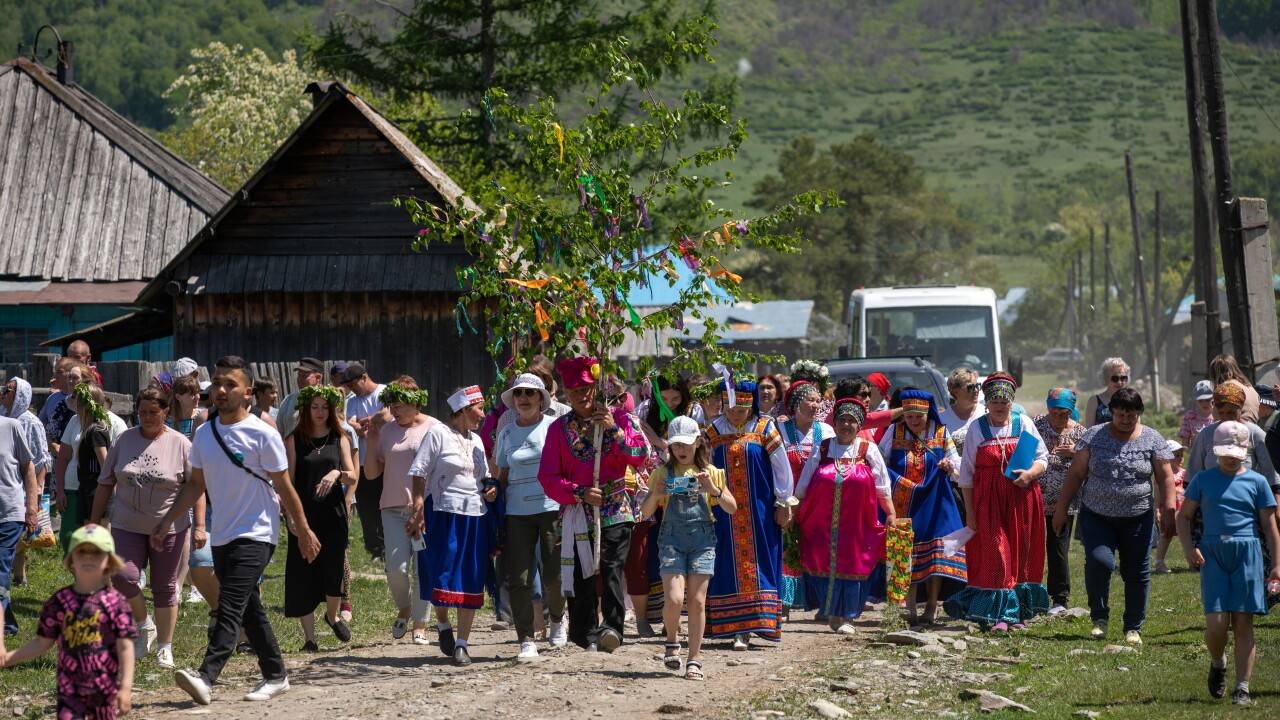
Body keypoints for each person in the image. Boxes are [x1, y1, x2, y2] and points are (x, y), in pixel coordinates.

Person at [158, 356, 320, 706]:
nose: (221, 390)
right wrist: (168, 520)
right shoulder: (204, 433)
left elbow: (285, 486)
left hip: (259, 532)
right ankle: (276, 675)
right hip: (224, 534)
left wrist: (303, 530)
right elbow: (195, 485)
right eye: (217, 383)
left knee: (229, 602)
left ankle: (206, 676)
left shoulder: (264, 433)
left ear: (248, 393)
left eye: (230, 384)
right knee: (249, 608)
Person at [537, 356, 649, 653]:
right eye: (574, 391)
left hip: (615, 506)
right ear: (564, 393)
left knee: (612, 565)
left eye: (586, 389)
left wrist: (614, 430)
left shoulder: (619, 417)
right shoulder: (558, 429)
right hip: (578, 509)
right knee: (581, 570)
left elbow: (641, 455)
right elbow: (548, 475)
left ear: (596, 388)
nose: (581, 396)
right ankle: (584, 632)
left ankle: (612, 627)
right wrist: (578, 492)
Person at [1053, 387, 1175, 645]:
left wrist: (1168, 509)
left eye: (1131, 416)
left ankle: (1133, 627)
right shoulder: (1094, 437)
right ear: (1112, 413)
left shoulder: (1152, 438)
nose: (1126, 420)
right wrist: (1061, 509)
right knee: (1100, 562)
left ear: (1138, 413)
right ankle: (1099, 617)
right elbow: (1076, 475)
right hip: (1098, 515)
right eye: (1121, 415)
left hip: (1138, 517)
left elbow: (1165, 477)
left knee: (1136, 572)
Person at [88, 389, 195, 669]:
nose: (147, 417)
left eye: (153, 412)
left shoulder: (181, 443)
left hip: (168, 526)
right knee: (121, 574)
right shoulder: (124, 440)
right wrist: (93, 520)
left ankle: (164, 647)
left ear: (166, 412)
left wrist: (201, 525)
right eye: (142, 412)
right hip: (126, 523)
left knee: (165, 586)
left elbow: (197, 488)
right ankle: (142, 623)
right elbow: (105, 483)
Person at [1177, 421, 1280, 707]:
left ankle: (1243, 688)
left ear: (1246, 450)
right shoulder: (1203, 480)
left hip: (1247, 553)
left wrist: (1277, 565)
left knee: (1243, 621)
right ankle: (1218, 661)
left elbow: (1270, 527)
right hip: (1212, 553)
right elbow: (1184, 517)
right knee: (1217, 624)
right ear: (1214, 451)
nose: (1231, 458)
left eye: (1236, 453)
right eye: (1225, 453)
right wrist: (1189, 548)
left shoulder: (1257, 482)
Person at [945, 372, 1049, 631]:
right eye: (995, 401)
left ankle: (1017, 614)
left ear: (1011, 402)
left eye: (1005, 402)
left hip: (1021, 499)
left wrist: (1030, 474)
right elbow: (966, 474)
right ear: (987, 402)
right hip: (988, 502)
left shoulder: (1023, 423)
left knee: (1021, 552)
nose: (1000, 406)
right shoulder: (977, 428)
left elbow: (1042, 457)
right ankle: (1000, 614)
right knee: (997, 552)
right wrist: (970, 512)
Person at [0, 524, 134, 718]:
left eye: (96, 553)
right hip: (69, 692)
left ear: (109, 561)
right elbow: (42, 643)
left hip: (105, 691)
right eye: (82, 552)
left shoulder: (116, 603)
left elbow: (125, 647)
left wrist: (126, 687)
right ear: (71, 560)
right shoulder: (59, 602)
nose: (88, 557)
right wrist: (7, 658)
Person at [641, 416, 736, 680]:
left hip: (703, 541)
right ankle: (672, 640)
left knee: (696, 601)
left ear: (697, 442)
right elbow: (645, 512)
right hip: (671, 539)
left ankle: (694, 658)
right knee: (673, 598)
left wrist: (712, 489)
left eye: (685, 444)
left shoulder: (713, 472)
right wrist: (657, 494)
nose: (681, 450)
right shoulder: (661, 474)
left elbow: (732, 507)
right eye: (675, 445)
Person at [704, 380, 794, 650]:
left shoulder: (765, 428)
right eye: (730, 409)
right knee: (726, 564)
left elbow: (781, 468)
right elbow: (701, 463)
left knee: (761, 563)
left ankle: (757, 624)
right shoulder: (714, 430)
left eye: (741, 409)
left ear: (750, 404)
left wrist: (783, 502)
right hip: (723, 513)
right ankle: (734, 629)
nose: (735, 414)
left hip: (760, 512)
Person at [409, 385, 494, 666]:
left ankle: (462, 644)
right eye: (479, 409)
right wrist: (418, 508)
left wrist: (490, 489)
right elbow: (419, 472)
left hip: (475, 516)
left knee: (471, 574)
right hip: (443, 512)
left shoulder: (479, 441)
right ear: (462, 410)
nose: (483, 415)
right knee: (443, 573)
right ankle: (443, 623)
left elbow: (485, 478)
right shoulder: (438, 434)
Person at [796, 395, 894, 634]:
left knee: (854, 563)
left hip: (858, 522)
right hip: (822, 521)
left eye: (852, 421)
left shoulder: (867, 449)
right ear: (835, 422)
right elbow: (805, 481)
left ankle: (849, 616)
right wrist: (794, 510)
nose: (846, 425)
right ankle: (829, 609)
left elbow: (882, 484)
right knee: (822, 561)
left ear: (859, 425)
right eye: (842, 420)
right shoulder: (824, 447)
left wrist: (891, 513)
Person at [494, 373, 566, 659]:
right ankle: (526, 638)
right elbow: (502, 473)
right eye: (518, 393)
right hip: (516, 514)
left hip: (550, 509)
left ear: (541, 399)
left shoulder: (554, 427)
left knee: (553, 574)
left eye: (530, 393)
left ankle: (558, 619)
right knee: (520, 578)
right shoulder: (506, 433)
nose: (523, 398)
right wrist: (492, 493)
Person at [879, 388, 966, 624]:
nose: (914, 422)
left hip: (935, 500)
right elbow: (879, 460)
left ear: (928, 413)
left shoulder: (940, 432)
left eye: (919, 417)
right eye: (909, 417)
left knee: (935, 553)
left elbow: (956, 461)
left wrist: (950, 465)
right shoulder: (893, 431)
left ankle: (931, 605)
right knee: (906, 550)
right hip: (903, 502)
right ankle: (909, 606)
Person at [629, 374, 702, 637]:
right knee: (650, 557)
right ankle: (653, 616)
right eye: (665, 398)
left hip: (682, 494)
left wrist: (662, 445)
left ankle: (678, 618)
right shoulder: (644, 413)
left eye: (675, 398)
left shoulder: (693, 414)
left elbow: (696, 454)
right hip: (650, 492)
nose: (669, 404)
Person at [284, 385, 356, 650]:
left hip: (333, 514)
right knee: (303, 570)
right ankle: (309, 639)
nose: (319, 412)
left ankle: (333, 616)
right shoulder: (294, 440)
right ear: (306, 409)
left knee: (333, 566)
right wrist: (290, 515)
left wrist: (336, 473)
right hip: (304, 514)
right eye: (314, 406)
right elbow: (287, 481)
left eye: (324, 407)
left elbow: (353, 475)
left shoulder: (340, 438)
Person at [364, 377, 434, 645]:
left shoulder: (434, 428)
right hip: (392, 507)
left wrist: (427, 507)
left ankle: (420, 623)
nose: (394, 410)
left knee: (422, 569)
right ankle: (404, 607)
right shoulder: (386, 430)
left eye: (399, 405)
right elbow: (371, 473)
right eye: (391, 405)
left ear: (415, 402)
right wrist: (371, 439)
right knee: (396, 568)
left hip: (425, 508)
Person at [777, 379, 833, 617]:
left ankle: (822, 602)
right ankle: (785, 603)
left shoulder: (826, 431)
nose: (815, 405)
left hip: (817, 503)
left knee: (819, 551)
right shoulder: (779, 430)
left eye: (818, 400)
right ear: (796, 404)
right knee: (787, 550)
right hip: (788, 501)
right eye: (810, 400)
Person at [1034, 388, 1086, 614]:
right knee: (1031, 547)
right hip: (1035, 497)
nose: (1057, 418)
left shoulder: (1081, 434)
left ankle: (1059, 597)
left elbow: (1090, 461)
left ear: (1071, 411)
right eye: (1054, 413)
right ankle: (1030, 592)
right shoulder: (1036, 425)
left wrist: (1076, 453)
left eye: (1063, 414)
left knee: (1058, 546)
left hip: (1064, 502)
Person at [54, 383, 119, 551]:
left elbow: (105, 465)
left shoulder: (96, 430)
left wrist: (108, 495)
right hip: (86, 488)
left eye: (78, 401)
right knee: (86, 538)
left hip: (95, 490)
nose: (75, 403)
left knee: (99, 539)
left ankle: (105, 575)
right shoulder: (85, 427)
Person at [2, 378, 52, 592]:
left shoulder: (29, 421)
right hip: (9, 482)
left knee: (23, 531)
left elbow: (40, 458)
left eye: (8, 390)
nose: (4, 393)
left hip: (24, 484)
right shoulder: (4, 416)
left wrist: (37, 492)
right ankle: (17, 575)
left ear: (20, 393)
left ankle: (17, 575)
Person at [340, 363, 387, 565]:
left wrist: (369, 419)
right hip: (363, 460)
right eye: (348, 386)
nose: (352, 388)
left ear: (364, 377)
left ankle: (389, 544)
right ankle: (375, 547)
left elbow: (387, 414)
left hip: (386, 459)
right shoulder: (353, 400)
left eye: (353, 384)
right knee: (368, 506)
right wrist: (358, 426)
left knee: (386, 504)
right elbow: (349, 421)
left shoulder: (384, 392)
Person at [0, 403, 37, 639]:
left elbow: (28, 467)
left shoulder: (11, 426)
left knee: (0, 567)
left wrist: (31, 507)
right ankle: (8, 624)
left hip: (9, 512)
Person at [1154, 440, 1187, 574]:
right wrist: (1156, 509)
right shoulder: (1162, 475)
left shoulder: (1185, 473)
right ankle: (1159, 562)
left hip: (1183, 510)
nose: (1180, 458)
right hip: (1168, 510)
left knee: (1187, 535)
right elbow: (1157, 493)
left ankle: (1192, 559)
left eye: (1181, 454)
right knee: (1166, 535)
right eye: (1176, 455)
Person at [276, 357, 326, 440]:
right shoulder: (288, 400)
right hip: (290, 451)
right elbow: (279, 431)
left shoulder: (327, 401)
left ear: (318, 378)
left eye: (304, 376)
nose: (300, 379)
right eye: (299, 375)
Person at [41, 358, 82, 453]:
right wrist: (51, 444)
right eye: (55, 372)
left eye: (59, 372)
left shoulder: (82, 401)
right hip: (55, 455)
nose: (55, 376)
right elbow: (41, 424)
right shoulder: (52, 398)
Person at [938, 368, 985, 451]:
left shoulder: (986, 413)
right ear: (955, 391)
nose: (976, 390)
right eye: (970, 387)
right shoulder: (942, 420)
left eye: (977, 386)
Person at [1209, 354, 1261, 424]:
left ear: (1215, 374)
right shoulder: (1250, 387)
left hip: (1234, 430)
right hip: (1252, 429)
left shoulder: (1225, 390)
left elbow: (1217, 418)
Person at [1084, 357, 1129, 427]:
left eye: (1123, 378)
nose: (1120, 382)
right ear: (1106, 379)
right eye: (1115, 378)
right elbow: (1089, 430)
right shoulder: (1094, 401)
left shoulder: (1132, 401)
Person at [167, 375, 207, 440]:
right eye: (192, 394)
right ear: (178, 397)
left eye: (198, 392)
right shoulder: (167, 422)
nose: (198, 397)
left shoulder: (203, 418)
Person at [1180, 380, 1216, 446]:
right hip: (1196, 453)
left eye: (1208, 400)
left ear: (1214, 398)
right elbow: (1185, 441)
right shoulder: (1190, 416)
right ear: (1196, 400)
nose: (1204, 403)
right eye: (1200, 400)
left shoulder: (1217, 415)